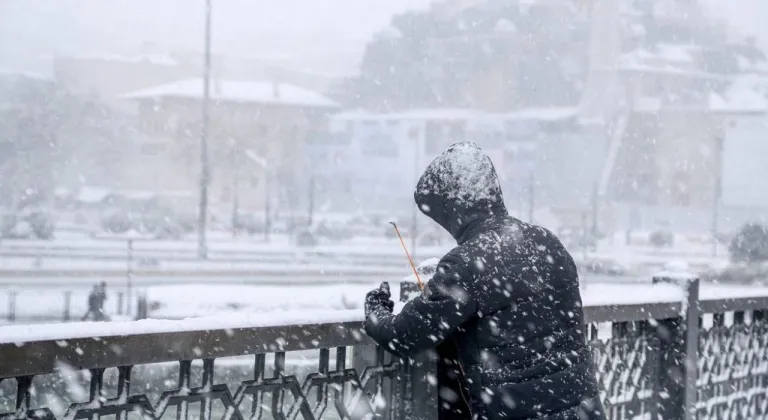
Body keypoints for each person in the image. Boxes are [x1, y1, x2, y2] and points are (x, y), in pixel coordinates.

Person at [364, 142, 605, 420]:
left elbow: (405, 336)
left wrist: (376, 310)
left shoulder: (465, 265)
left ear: (452, 209)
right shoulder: (547, 242)